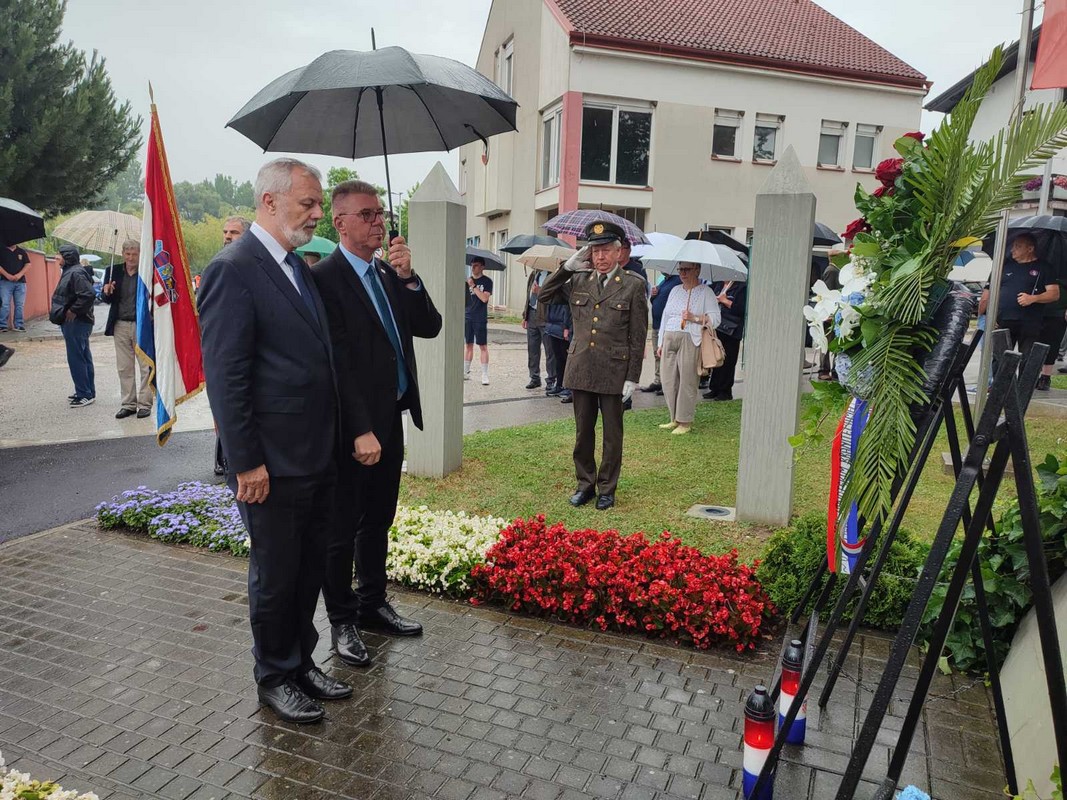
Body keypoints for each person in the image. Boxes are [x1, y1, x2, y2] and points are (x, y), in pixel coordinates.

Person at [198, 157, 351, 724]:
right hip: (270, 465)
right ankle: (273, 676)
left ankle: (301, 662)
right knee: (276, 574)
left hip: (316, 455)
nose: (318, 214)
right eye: (308, 203)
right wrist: (246, 463)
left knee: (309, 568)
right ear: (270, 201)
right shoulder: (234, 269)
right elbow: (227, 376)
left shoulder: (298, 268)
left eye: (318, 205)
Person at [311, 180, 442, 668]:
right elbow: (335, 362)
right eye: (366, 214)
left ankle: (372, 604)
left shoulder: (388, 274)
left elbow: (429, 325)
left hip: (392, 415)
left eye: (380, 213)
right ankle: (342, 621)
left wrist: (410, 279)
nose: (378, 221)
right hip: (353, 426)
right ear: (340, 223)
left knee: (379, 518)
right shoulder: (324, 280)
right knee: (342, 526)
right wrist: (358, 427)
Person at [539, 220, 648, 511]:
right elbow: (544, 295)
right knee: (583, 432)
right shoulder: (578, 280)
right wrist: (566, 268)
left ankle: (607, 489)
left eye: (605, 250)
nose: (600, 257)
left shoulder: (633, 285)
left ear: (618, 252)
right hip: (581, 368)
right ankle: (585, 484)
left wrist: (632, 377)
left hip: (614, 371)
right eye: (594, 250)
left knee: (613, 436)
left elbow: (638, 336)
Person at [979, 233, 1060, 368]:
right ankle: (1000, 388)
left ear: (1030, 249)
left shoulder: (1044, 268)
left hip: (1029, 323)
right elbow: (989, 292)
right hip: (1003, 321)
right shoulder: (1004, 266)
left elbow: (1054, 294)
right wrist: (989, 315)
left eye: (1018, 246)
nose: (1013, 249)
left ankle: (1022, 389)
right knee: (1000, 358)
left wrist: (1033, 298)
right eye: (1013, 246)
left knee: (1027, 359)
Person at [657, 264, 720, 434]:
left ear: (697, 270)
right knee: (669, 380)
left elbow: (715, 319)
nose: (683, 273)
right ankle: (674, 417)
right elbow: (665, 316)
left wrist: (695, 318)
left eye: (687, 269)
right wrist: (660, 342)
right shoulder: (675, 290)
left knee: (687, 380)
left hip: (690, 338)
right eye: (680, 270)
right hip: (670, 336)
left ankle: (684, 421)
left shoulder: (706, 291)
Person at [211, 220, 250, 476]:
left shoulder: (249, 266)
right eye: (225, 232)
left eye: (234, 232)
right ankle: (223, 458)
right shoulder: (221, 266)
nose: (227, 236)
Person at [101, 240, 153, 419]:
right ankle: (128, 404)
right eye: (128, 254)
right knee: (124, 367)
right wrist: (106, 291)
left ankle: (145, 404)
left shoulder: (147, 271)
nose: (131, 257)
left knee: (146, 366)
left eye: (135, 254)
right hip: (120, 324)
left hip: (142, 325)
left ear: (140, 254)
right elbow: (106, 299)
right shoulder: (112, 271)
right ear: (123, 253)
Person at [52, 245, 96, 407]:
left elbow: (88, 294)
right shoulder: (73, 271)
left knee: (76, 357)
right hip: (78, 321)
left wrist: (73, 310)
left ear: (68, 256)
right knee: (83, 356)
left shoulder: (75, 273)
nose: (57, 257)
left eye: (59, 255)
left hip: (77, 322)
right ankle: (87, 391)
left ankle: (84, 393)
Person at [705, 279, 748, 401]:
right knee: (717, 357)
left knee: (728, 360)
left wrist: (725, 301)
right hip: (718, 327)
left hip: (732, 330)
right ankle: (715, 388)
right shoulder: (718, 285)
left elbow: (742, 309)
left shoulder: (741, 287)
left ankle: (725, 391)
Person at [642, 271, 681, 394]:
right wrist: (653, 295)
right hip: (656, 324)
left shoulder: (677, 281)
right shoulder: (664, 281)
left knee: (667, 356)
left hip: (668, 326)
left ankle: (667, 383)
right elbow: (656, 300)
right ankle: (658, 380)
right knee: (657, 354)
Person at [539, 267, 572, 403]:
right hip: (552, 325)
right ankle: (559, 384)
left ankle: (567, 386)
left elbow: (568, 308)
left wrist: (566, 327)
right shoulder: (553, 285)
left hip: (561, 326)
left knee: (566, 358)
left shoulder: (568, 286)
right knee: (557, 358)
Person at [522, 268, 554, 390]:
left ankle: (551, 379)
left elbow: (554, 294)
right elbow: (528, 295)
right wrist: (525, 315)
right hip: (532, 314)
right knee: (532, 348)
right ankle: (534, 377)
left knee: (549, 350)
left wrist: (540, 291)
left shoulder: (553, 274)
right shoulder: (534, 274)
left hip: (545, 315)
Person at [1035, 273, 1066, 391]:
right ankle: (1032, 375)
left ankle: (1045, 377)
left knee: (1052, 343)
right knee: (1033, 343)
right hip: (1035, 309)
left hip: (1057, 311)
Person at [464, 258, 492, 384]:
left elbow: (484, 298)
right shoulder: (467, 281)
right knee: (468, 345)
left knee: (482, 346)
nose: (473, 268)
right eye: (472, 265)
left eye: (476, 265)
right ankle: (465, 371)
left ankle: (484, 374)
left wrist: (473, 286)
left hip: (480, 317)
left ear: (482, 267)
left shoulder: (487, 281)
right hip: (467, 316)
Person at [0, 242, 30, 332]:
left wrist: (19, 275)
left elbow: (28, 264)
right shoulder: (2, 251)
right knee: (4, 304)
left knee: (19, 305)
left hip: (20, 282)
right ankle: (2, 325)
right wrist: (7, 275)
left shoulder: (22, 252)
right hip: (5, 282)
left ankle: (19, 325)